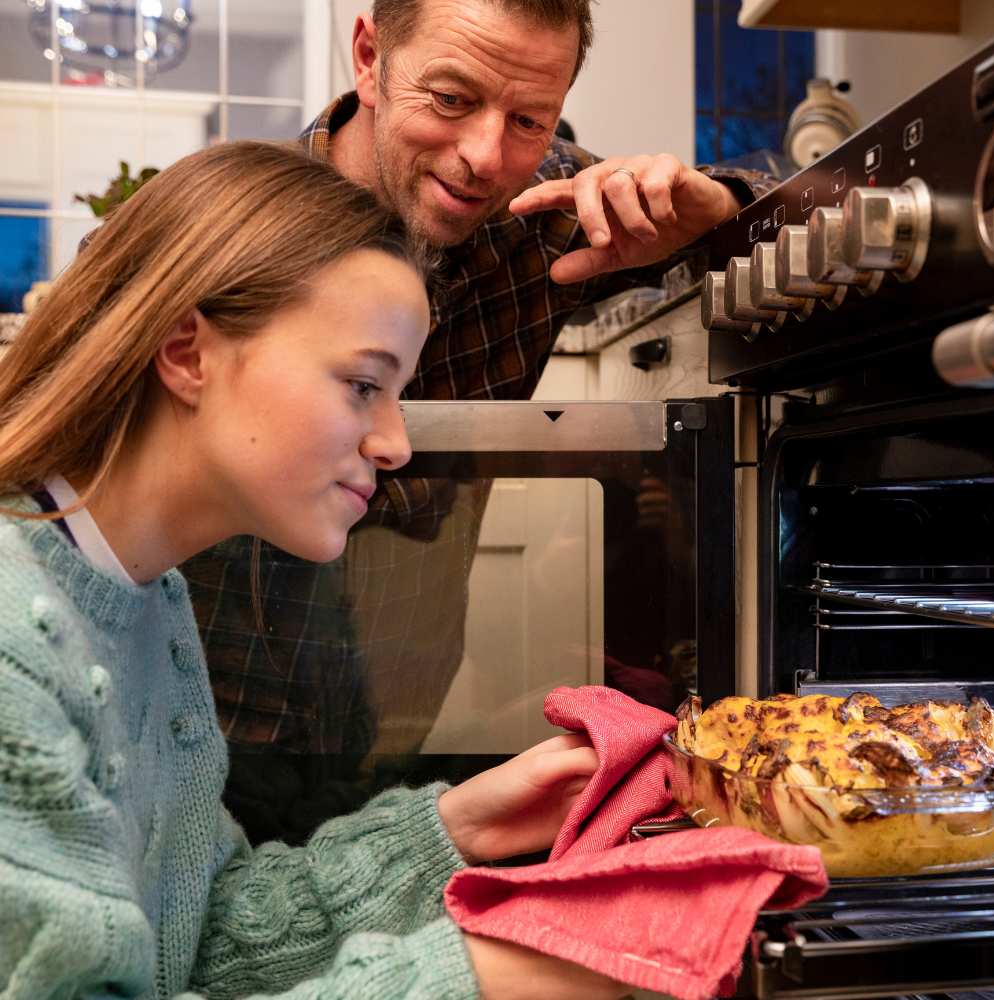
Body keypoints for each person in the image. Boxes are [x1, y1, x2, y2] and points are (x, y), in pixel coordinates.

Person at [0, 139, 630, 999]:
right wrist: (481, 979)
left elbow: (194, 931)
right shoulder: (13, 642)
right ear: (188, 353)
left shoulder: (149, 597)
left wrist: (452, 832)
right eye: (364, 385)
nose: (395, 443)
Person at [186, 0, 776, 833]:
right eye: (452, 100)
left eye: (531, 120)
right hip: (210, 664)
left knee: (357, 859)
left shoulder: (541, 214)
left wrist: (715, 208)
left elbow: (795, 200)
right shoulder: (226, 217)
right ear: (369, 55)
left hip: (399, 653)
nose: (483, 159)